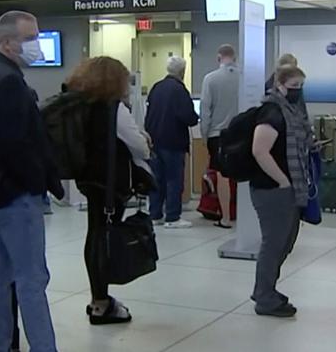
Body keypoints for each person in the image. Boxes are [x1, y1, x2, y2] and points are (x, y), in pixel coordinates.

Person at [0, 10, 64, 351]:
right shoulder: (8, 81)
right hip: (14, 195)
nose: (37, 45)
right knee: (31, 278)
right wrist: (39, 182)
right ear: (7, 43)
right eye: (30, 38)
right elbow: (17, 143)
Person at [67, 56, 151, 325]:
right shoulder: (114, 109)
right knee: (103, 237)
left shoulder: (81, 104)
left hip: (88, 180)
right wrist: (145, 140)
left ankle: (98, 298)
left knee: (94, 234)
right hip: (111, 182)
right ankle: (101, 302)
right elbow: (139, 147)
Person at [250, 65, 312, 318]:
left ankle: (266, 290)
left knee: (285, 243)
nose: (298, 92)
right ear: (279, 85)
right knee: (274, 244)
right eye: (293, 87)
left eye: (301, 87)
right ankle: (264, 297)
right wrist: (283, 181)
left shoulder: (292, 111)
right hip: (272, 189)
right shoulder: (271, 112)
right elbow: (259, 150)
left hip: (287, 187)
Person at [145, 56, 199, 229]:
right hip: (173, 142)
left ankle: (155, 215)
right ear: (182, 71)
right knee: (174, 180)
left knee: (157, 179)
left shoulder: (156, 87)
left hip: (155, 141)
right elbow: (188, 117)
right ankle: (173, 217)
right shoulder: (180, 90)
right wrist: (195, 118)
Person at [200, 44, 240, 229]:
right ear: (235, 58)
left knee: (222, 176)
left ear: (218, 58)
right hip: (241, 132)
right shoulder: (244, 77)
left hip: (218, 135)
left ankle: (225, 217)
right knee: (243, 174)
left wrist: (204, 135)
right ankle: (243, 213)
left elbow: (205, 109)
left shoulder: (210, 78)